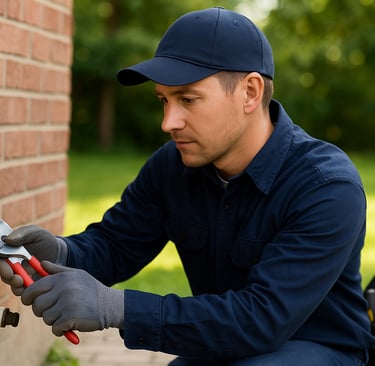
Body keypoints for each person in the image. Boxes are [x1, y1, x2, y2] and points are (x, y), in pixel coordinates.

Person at [0, 7, 373, 365]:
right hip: (227, 345)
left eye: (188, 100)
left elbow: (264, 318)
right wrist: (60, 253)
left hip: (320, 349)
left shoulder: (326, 186)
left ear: (250, 93)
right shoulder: (173, 165)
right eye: (164, 100)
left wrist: (115, 307)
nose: (169, 122)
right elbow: (116, 244)